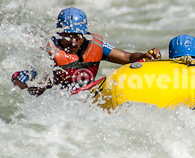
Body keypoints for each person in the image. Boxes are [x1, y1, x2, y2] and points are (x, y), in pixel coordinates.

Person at [12, 7, 160, 95]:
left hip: (87, 95)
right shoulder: (49, 49)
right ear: (60, 34)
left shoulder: (94, 46)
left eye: (77, 37)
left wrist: (144, 55)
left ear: (84, 34)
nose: (73, 42)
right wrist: (24, 80)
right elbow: (36, 81)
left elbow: (127, 58)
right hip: (57, 100)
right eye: (67, 37)